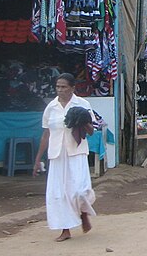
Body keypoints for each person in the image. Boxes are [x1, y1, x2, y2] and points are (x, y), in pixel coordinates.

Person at [33, 73, 96, 242]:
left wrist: (82, 120)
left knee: (79, 190)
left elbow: (91, 131)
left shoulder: (82, 104)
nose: (60, 90)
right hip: (56, 155)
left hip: (76, 152)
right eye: (57, 87)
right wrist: (38, 159)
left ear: (72, 88)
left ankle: (83, 213)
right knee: (57, 193)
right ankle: (65, 229)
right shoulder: (51, 107)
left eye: (63, 87)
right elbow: (46, 134)